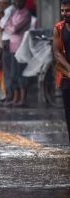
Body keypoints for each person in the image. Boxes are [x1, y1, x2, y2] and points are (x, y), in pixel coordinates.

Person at [5, 0, 31, 107]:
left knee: (21, 73)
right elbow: (7, 25)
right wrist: (10, 27)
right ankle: (16, 98)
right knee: (13, 74)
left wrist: (10, 27)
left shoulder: (26, 14)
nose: (16, 2)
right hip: (13, 47)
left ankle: (23, 99)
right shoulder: (15, 12)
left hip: (21, 47)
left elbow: (13, 28)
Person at [53, 0, 70, 143]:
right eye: (63, 10)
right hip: (67, 76)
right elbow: (57, 52)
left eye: (68, 10)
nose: (65, 13)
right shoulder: (58, 28)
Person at [0, 0, 14, 102]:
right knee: (3, 71)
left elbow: (2, 27)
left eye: (1, 3)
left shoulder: (9, 12)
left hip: (7, 44)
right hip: (2, 45)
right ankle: (6, 93)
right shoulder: (0, 15)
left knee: (8, 71)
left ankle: (9, 93)